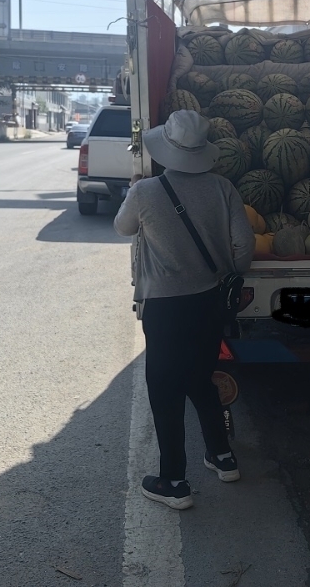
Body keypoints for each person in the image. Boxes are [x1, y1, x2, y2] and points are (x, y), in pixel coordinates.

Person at [114, 110, 254, 510]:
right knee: (200, 378)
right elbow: (244, 247)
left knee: (165, 390)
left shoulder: (145, 191)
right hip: (209, 302)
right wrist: (226, 269)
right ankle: (223, 457)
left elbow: (122, 228)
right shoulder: (223, 188)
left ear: (166, 148)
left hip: (164, 307)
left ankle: (174, 481)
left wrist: (134, 195)